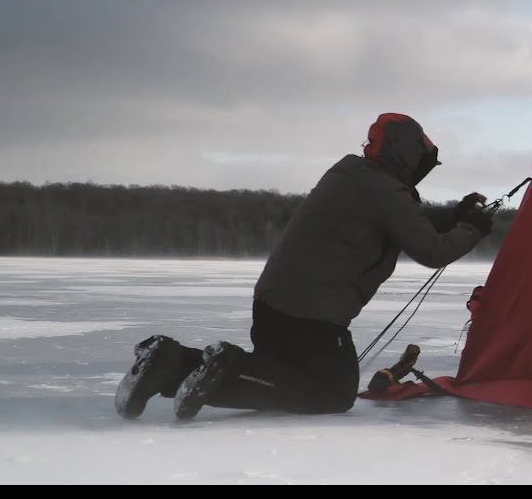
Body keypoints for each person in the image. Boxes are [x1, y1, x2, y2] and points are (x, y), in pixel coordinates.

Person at [114, 113, 493, 420]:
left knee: (280, 377)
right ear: (409, 157)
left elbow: (404, 220)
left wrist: (454, 215)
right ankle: (224, 371)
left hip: (274, 306)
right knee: (331, 393)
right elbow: (431, 249)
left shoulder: (356, 176)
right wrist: (472, 229)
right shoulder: (382, 189)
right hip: (310, 317)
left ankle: (171, 363)